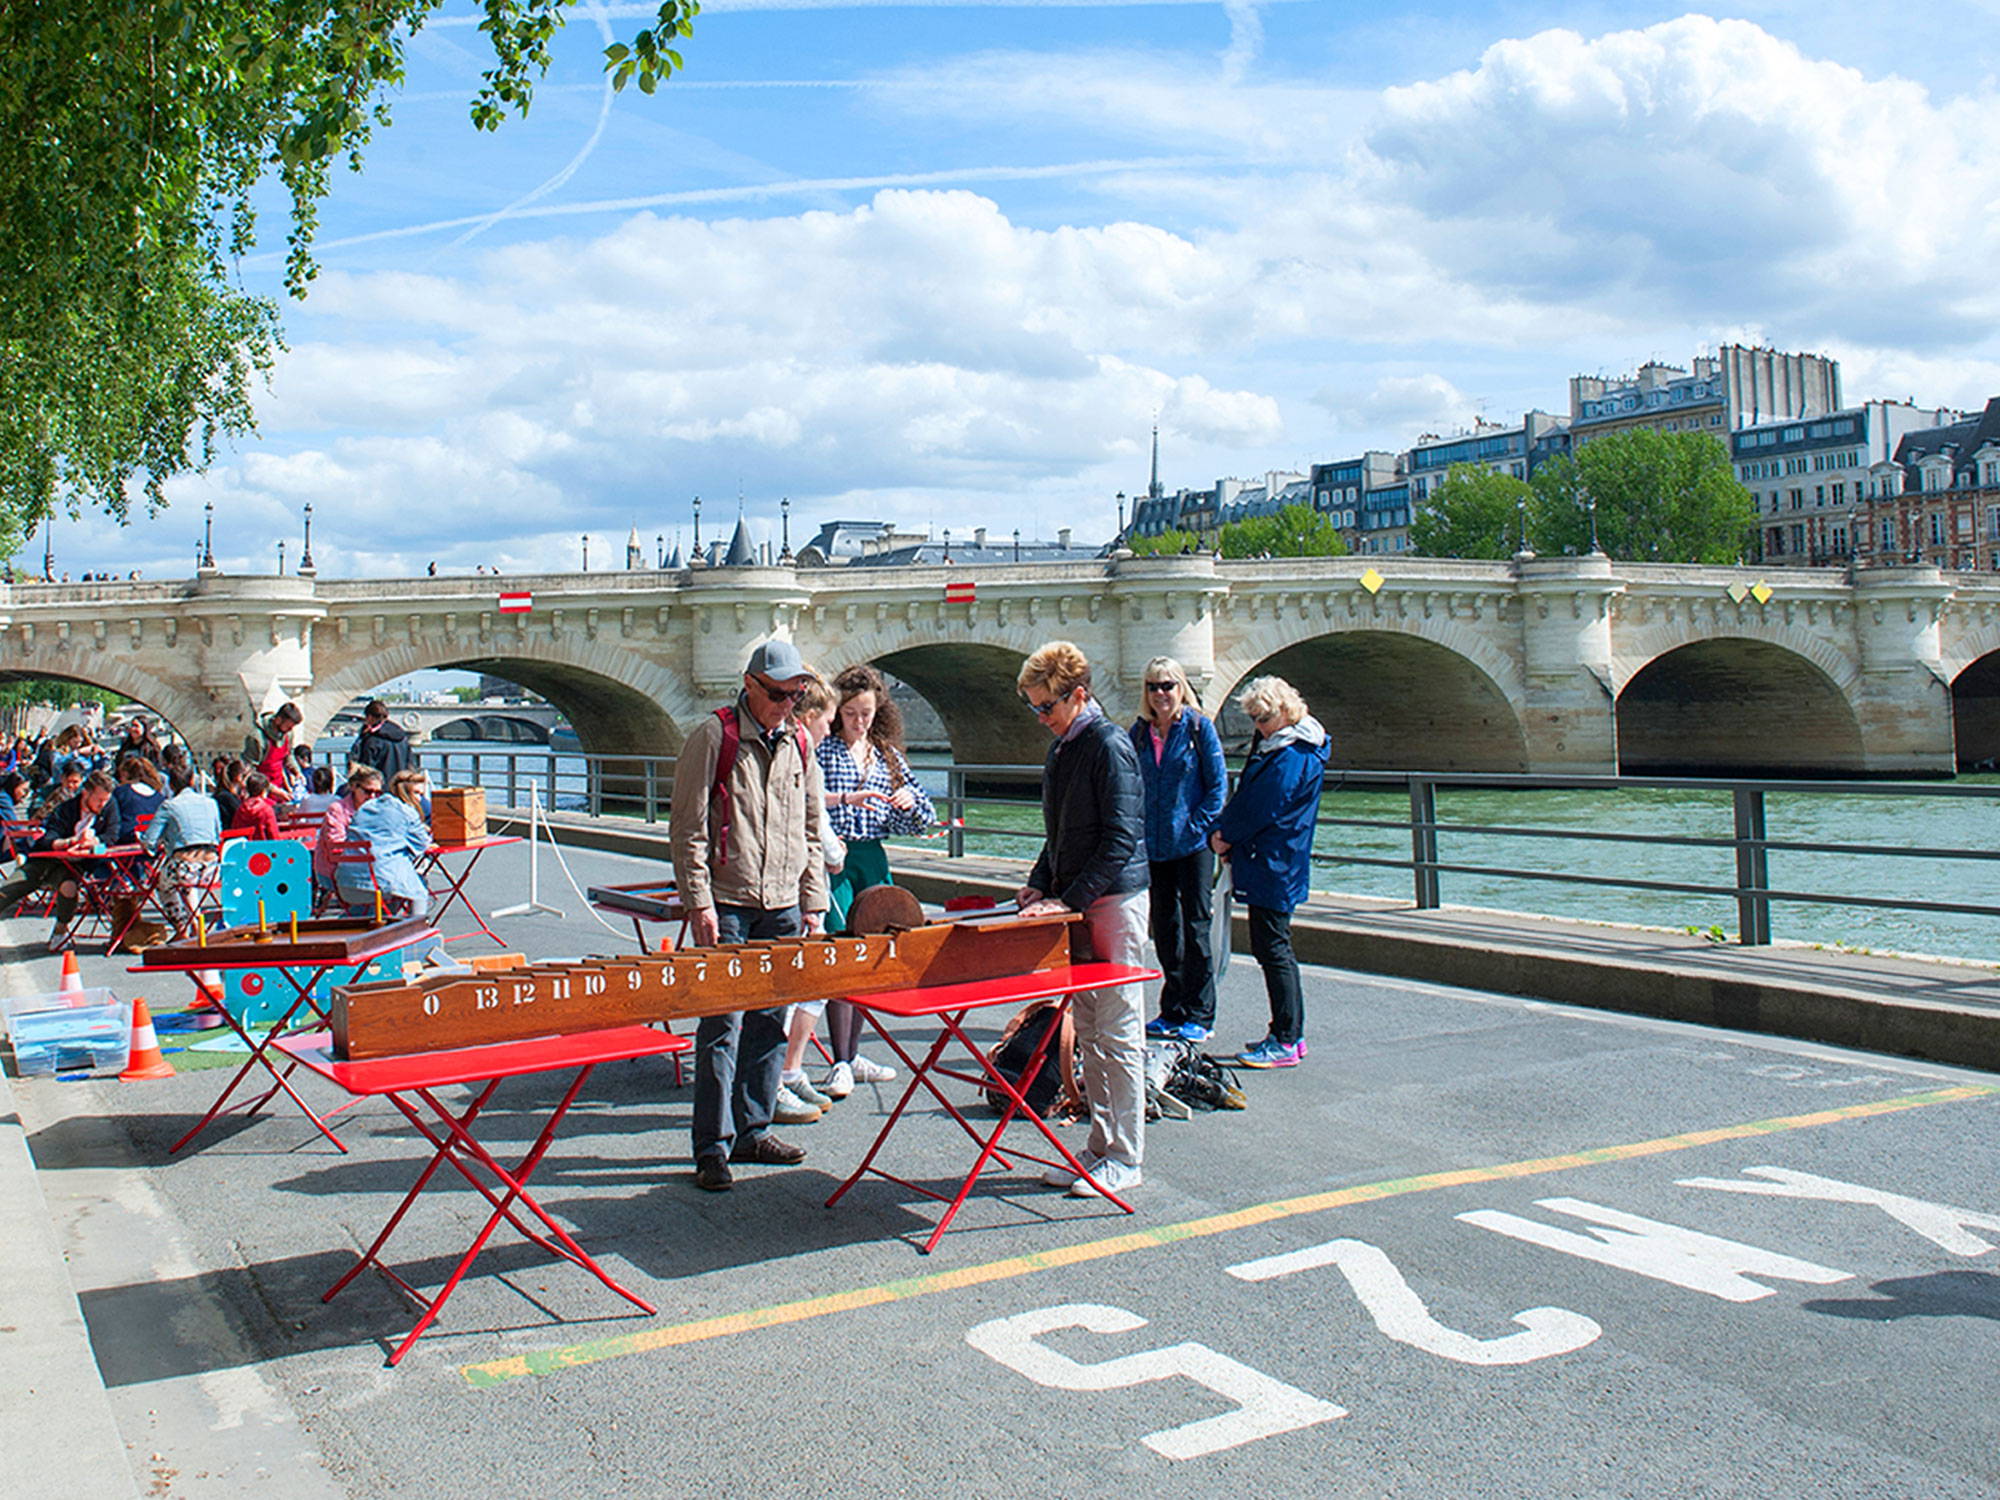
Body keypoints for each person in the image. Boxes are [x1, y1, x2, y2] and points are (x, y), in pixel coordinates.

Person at [669, 638, 830, 1194]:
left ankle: (753, 1128)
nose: (789, 703)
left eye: (797, 693)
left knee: (769, 1021)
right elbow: (688, 829)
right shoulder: (714, 736)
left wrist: (814, 902)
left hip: (783, 902)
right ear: (751, 685)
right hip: (730, 901)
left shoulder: (801, 742)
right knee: (721, 1027)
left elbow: (811, 828)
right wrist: (700, 901)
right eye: (781, 694)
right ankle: (711, 1147)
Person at [1014, 641, 1149, 1199]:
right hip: (1083, 898)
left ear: (1079, 695)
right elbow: (1060, 834)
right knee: (1091, 1032)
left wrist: (1068, 899)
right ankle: (1099, 1145)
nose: (1041, 718)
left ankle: (1125, 1155)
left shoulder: (1109, 745)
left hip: (1112, 900)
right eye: (1034, 708)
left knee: (1117, 1032)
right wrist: (1039, 882)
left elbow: (1120, 838)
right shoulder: (1065, 747)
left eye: (1047, 707)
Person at [816, 662, 934, 1097]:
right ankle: (840, 1060)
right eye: (850, 713)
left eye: (866, 713)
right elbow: (807, 802)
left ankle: (851, 1055)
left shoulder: (887, 755)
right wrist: (847, 797)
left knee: (867, 960)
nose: (859, 722)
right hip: (837, 859)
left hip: (873, 858)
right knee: (841, 957)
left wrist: (907, 802)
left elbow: (925, 818)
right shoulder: (823, 752)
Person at [1210, 675, 1330, 1069]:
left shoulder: (1289, 754)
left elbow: (1262, 806)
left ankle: (1286, 1036)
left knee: (1273, 947)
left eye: (1261, 718)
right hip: (1277, 860)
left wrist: (1226, 835)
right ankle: (1287, 1034)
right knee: (1274, 946)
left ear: (1282, 712)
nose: (1256, 727)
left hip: (1274, 861)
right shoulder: (1288, 746)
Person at [1131, 656, 1227, 1044]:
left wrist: (1196, 828)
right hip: (1154, 846)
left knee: (1197, 926)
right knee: (1167, 930)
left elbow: (1218, 788)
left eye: (1167, 685)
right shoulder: (1140, 732)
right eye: (1153, 686)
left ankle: (1201, 1012)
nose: (1160, 693)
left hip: (1192, 845)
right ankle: (1173, 1009)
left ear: (1181, 687)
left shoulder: (1200, 729)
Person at [774, 670, 846, 1125]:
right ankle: (783, 1073)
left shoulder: (792, 748)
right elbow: (813, 826)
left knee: (805, 987)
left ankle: (789, 1071)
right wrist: (836, 855)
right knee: (803, 987)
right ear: (813, 717)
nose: (830, 732)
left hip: (799, 886)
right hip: (801, 889)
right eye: (829, 723)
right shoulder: (801, 753)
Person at [0, 770, 120, 950]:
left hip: (76, 864)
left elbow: (112, 834)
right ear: (85, 793)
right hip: (46, 859)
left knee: (69, 887)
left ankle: (60, 931)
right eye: (99, 800)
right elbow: (49, 838)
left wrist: (94, 841)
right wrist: (70, 842)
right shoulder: (66, 809)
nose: (102, 804)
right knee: (9, 889)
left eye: (105, 800)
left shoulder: (109, 806)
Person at [141, 764, 223, 938]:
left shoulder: (169, 806)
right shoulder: (211, 803)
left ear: (171, 785)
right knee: (184, 882)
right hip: (213, 868)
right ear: (193, 781)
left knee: (163, 884)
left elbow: (149, 841)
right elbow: (218, 833)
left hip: (185, 865)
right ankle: (195, 922)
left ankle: (181, 926)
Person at [337, 768, 432, 915]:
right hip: (378, 885)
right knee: (419, 889)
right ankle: (417, 927)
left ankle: (386, 922)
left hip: (346, 883)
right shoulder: (407, 812)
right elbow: (422, 844)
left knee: (394, 881)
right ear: (407, 794)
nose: (421, 799)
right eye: (418, 794)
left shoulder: (364, 809)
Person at [315, 767, 382, 901]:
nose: (372, 797)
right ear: (353, 787)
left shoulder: (379, 810)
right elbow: (336, 846)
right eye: (368, 792)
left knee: (404, 882)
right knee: (388, 886)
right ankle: (361, 917)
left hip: (369, 867)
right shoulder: (337, 810)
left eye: (378, 793)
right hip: (334, 869)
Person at [352, 700, 413, 781]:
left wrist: (362, 737)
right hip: (400, 784)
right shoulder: (402, 736)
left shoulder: (373, 740)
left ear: (370, 717)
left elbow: (367, 767)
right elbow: (410, 761)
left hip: (379, 785)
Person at [112, 756, 167, 844]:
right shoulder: (159, 797)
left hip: (125, 845)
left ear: (125, 774)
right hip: (153, 845)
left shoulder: (122, 793)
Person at [258, 703, 303, 800]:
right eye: (287, 726)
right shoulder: (258, 738)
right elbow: (251, 771)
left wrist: (297, 771)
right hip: (262, 791)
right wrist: (273, 789)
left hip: (280, 786)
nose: (290, 730)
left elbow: (288, 756)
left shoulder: (288, 735)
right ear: (278, 720)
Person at [229, 770, 281, 840]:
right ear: (263, 791)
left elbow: (234, 831)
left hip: (243, 849)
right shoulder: (266, 810)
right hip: (263, 849)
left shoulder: (240, 810)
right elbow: (274, 836)